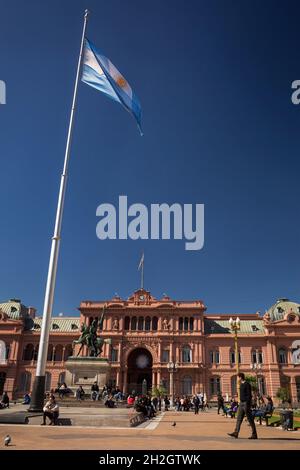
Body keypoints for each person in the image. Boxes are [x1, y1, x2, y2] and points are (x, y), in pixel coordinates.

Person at [228, 372, 258, 439]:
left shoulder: (247, 384)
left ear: (241, 377)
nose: (237, 379)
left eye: (238, 377)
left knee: (250, 419)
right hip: (241, 403)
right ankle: (236, 433)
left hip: (246, 404)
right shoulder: (241, 385)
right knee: (239, 418)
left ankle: (254, 434)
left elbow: (249, 395)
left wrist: (247, 403)